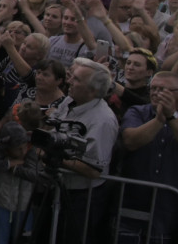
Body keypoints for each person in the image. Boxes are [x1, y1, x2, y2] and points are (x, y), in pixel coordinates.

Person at [118, 71, 178, 244]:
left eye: (163, 89)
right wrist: (159, 121)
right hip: (131, 204)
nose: (156, 93)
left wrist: (172, 116)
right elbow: (130, 141)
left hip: (169, 211)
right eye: (153, 88)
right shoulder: (137, 112)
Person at [47, 58, 118, 243]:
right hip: (56, 188)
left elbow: (94, 169)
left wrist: (54, 158)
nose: (70, 82)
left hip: (81, 197)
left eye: (77, 80)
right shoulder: (70, 101)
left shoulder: (103, 120)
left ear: (93, 90)